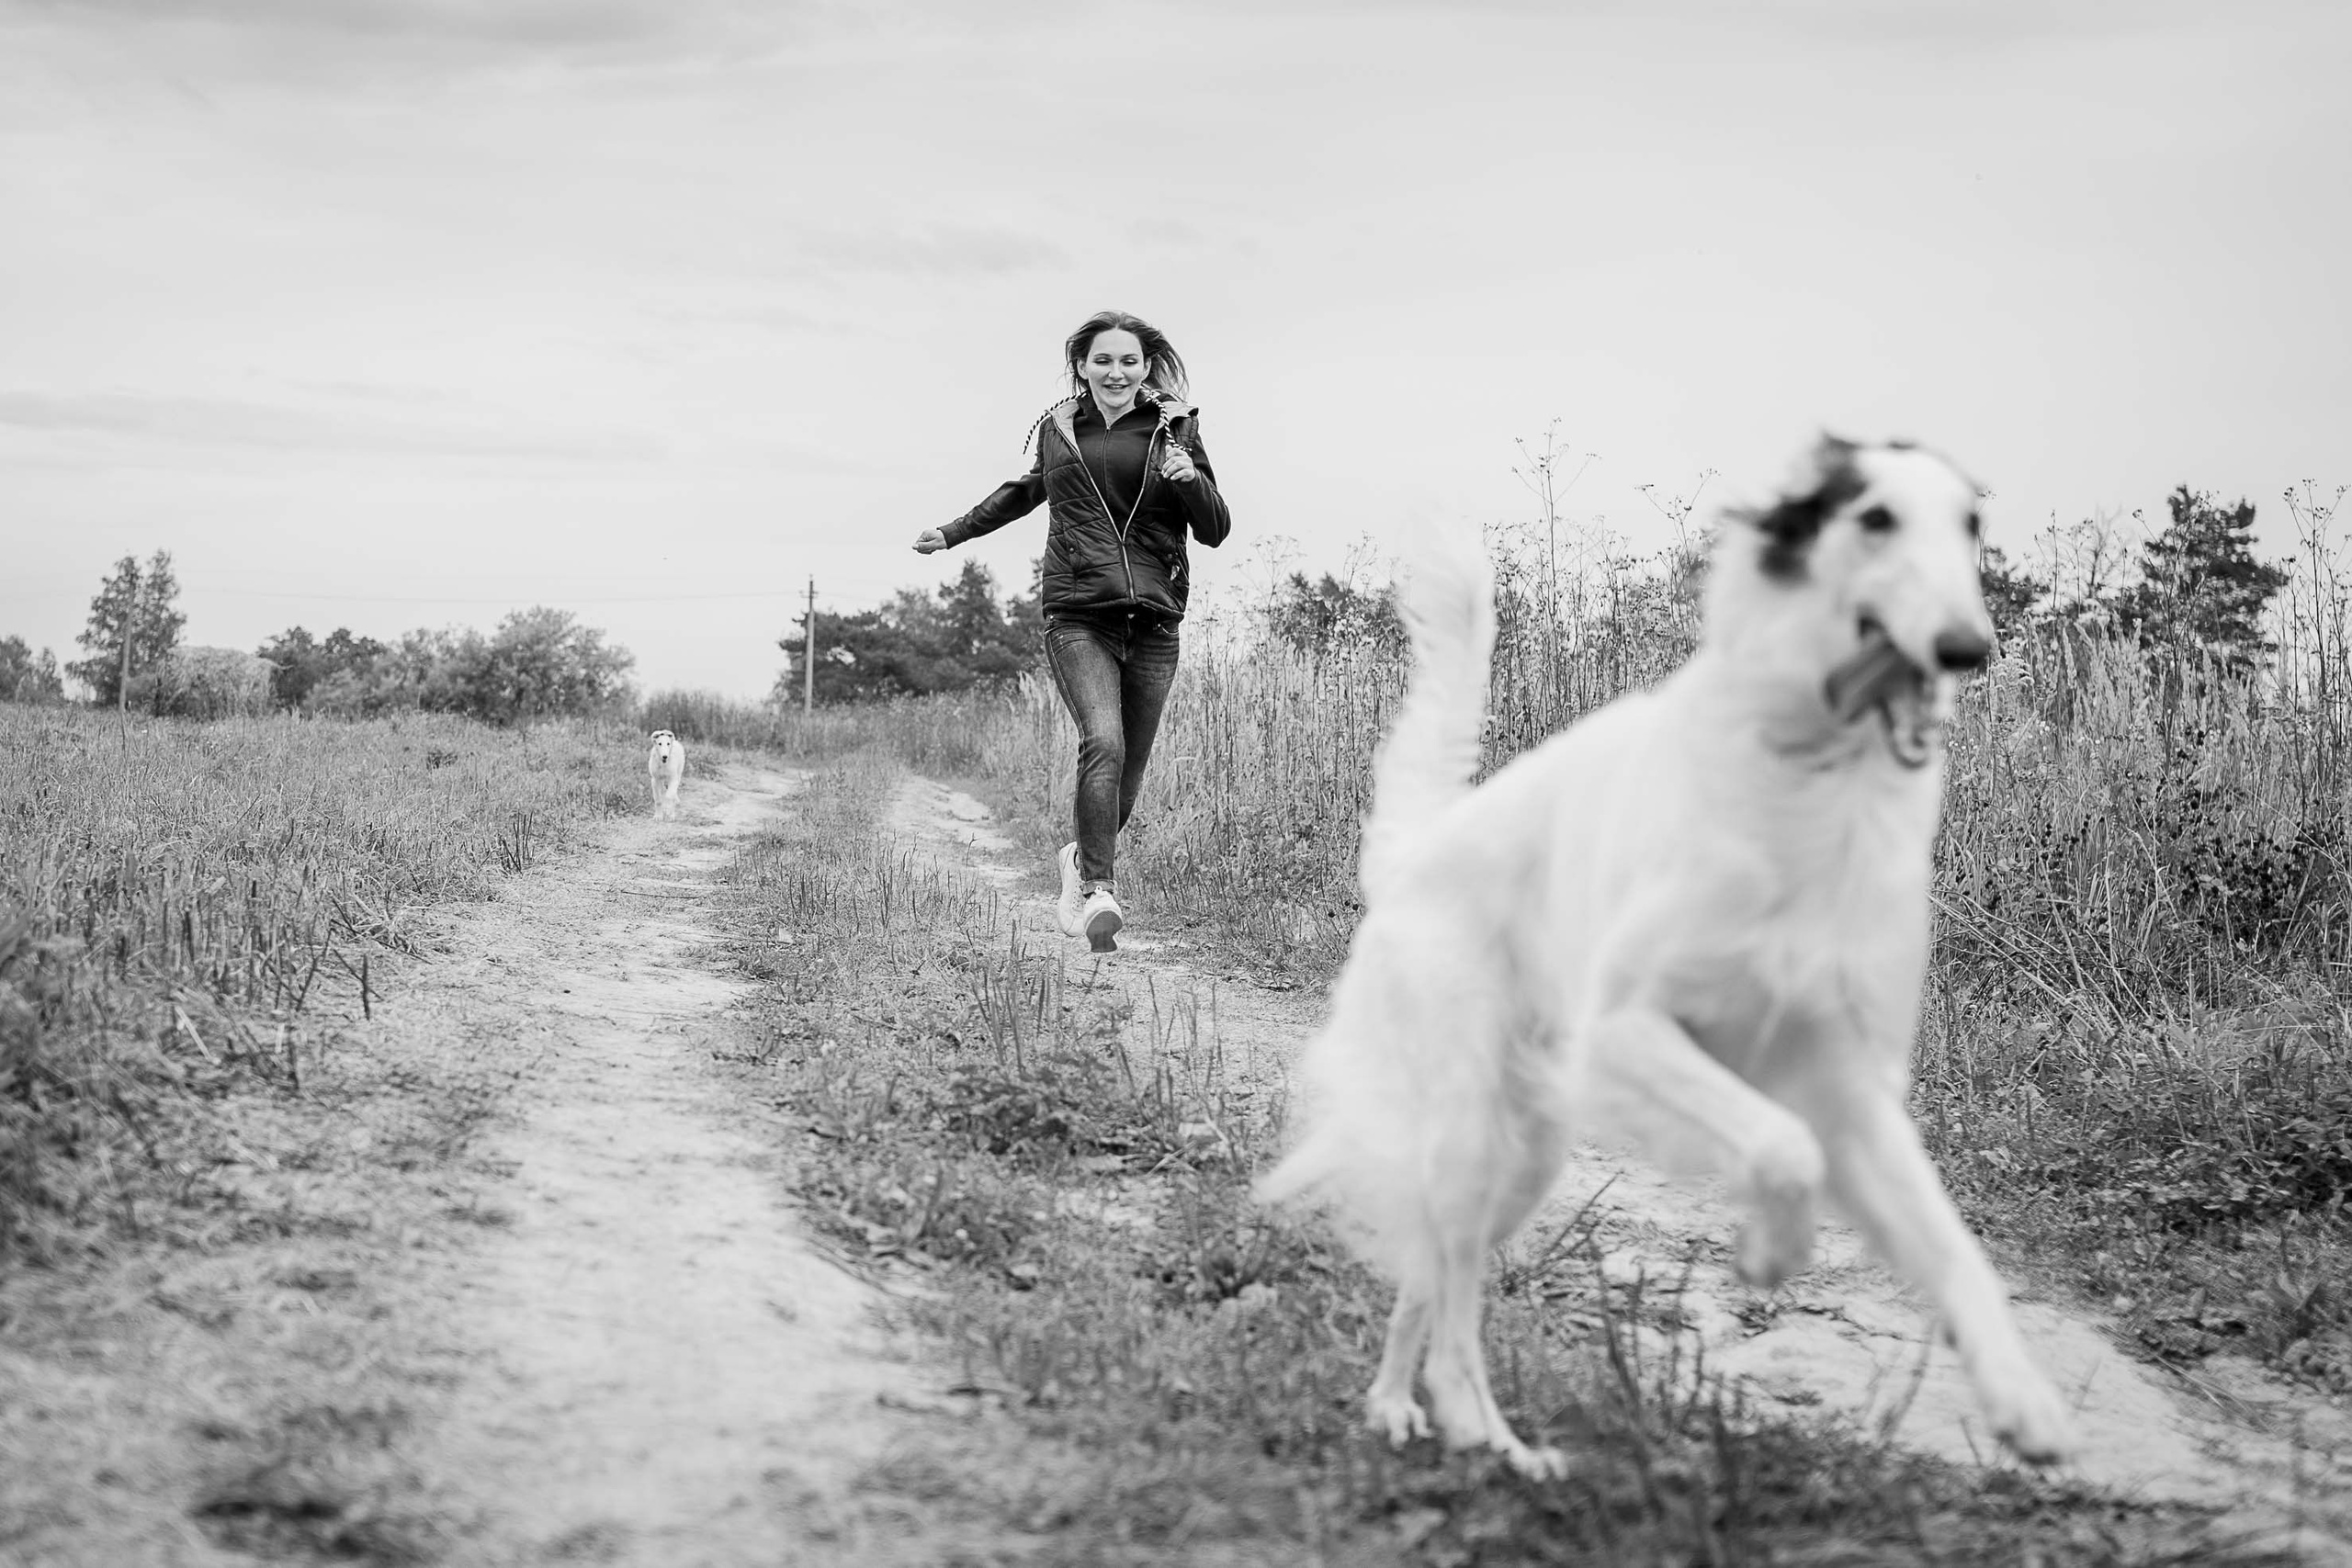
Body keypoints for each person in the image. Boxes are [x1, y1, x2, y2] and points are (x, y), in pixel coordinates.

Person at [914, 309, 1233, 953]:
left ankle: (1079, 859)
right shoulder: (1060, 429)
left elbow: (1216, 528)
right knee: (1103, 741)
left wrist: (1190, 481)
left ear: (1146, 367)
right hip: (1079, 613)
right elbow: (1022, 492)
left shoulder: (1175, 429)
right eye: (1102, 360)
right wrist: (953, 532)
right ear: (1082, 366)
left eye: (1129, 361)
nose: (1116, 372)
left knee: (1129, 774)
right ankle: (1097, 891)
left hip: (1155, 620)